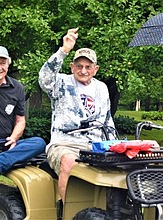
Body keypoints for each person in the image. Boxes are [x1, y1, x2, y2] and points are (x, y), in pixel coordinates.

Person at [38, 28, 116, 203]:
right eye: (79, 66)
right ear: (72, 67)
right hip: (64, 143)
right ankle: (67, 211)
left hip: (95, 146)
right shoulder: (62, 82)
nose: (83, 70)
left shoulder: (102, 88)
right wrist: (64, 50)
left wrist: (115, 146)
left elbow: (107, 121)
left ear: (95, 69)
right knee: (69, 162)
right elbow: (44, 79)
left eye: (88, 67)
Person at [0, 45, 46, 216]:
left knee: (39, 143)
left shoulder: (17, 87)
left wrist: (14, 137)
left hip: (5, 144)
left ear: (8, 64)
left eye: (3, 63)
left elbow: (20, 120)